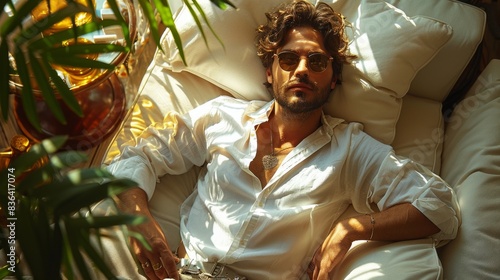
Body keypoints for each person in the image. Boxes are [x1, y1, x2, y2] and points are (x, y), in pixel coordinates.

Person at [107, 1, 459, 279]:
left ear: (333, 79)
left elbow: (440, 207)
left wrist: (351, 229)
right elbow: (137, 155)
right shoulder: (222, 117)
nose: (302, 69)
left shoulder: (351, 150)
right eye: (288, 59)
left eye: (317, 61)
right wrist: (137, 220)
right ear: (269, 71)